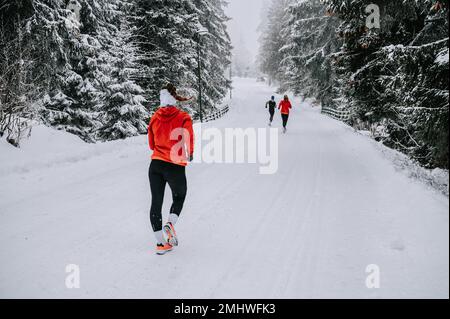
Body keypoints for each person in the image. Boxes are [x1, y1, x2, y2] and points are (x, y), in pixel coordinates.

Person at [147, 84, 194, 255]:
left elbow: (151, 144)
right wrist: (191, 152)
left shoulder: (154, 117)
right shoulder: (183, 117)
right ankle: (170, 223)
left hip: (156, 165)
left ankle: (160, 244)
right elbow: (189, 137)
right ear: (175, 99)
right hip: (175, 165)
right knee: (179, 196)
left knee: (156, 202)